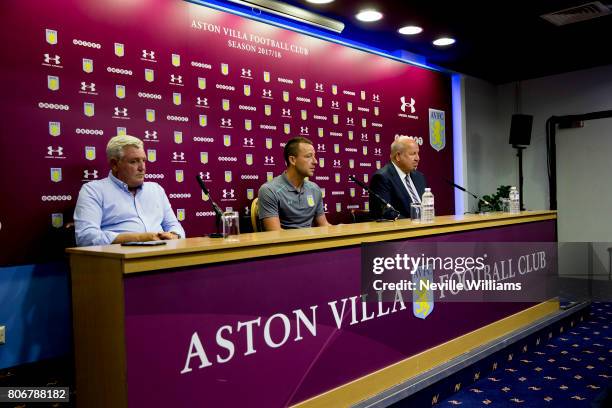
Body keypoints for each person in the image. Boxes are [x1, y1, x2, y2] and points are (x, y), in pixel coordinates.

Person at [74, 135, 185, 246]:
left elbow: (174, 226)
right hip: (121, 259)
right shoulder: (94, 190)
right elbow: (86, 237)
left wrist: (174, 235)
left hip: (163, 255)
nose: (142, 167)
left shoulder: (156, 189)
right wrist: (140, 238)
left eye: (144, 160)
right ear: (114, 164)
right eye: (133, 161)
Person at [257, 137, 330, 231]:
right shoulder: (269, 190)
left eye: (314, 156)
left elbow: (324, 225)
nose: (315, 161)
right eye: (309, 156)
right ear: (292, 160)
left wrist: (342, 229)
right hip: (285, 245)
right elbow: (274, 233)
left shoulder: (315, 189)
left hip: (312, 244)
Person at [369, 136, 427, 219]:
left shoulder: (419, 177)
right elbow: (386, 213)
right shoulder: (382, 178)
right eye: (412, 154)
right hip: (404, 230)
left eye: (418, 153)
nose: (417, 158)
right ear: (398, 156)